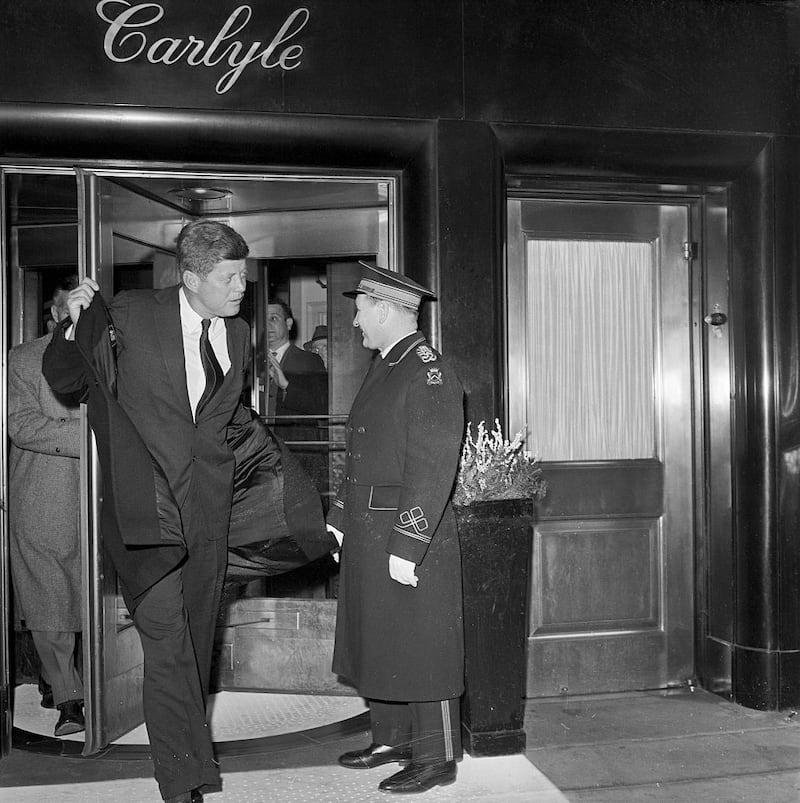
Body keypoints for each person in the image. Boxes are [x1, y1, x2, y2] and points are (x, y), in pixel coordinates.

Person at [43, 220, 251, 803]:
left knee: (196, 639)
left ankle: (194, 767)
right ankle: (180, 782)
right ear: (190, 278)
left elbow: (228, 425)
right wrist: (71, 324)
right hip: (146, 517)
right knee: (167, 644)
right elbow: (66, 381)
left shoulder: (238, 335)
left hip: (208, 515)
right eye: (229, 277)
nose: (242, 287)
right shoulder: (132, 313)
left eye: (243, 274)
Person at [327, 262, 466, 794]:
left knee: (422, 646)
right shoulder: (388, 363)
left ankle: (435, 757)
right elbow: (364, 453)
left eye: (361, 310)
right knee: (380, 638)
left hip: (411, 536)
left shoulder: (428, 370)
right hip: (368, 530)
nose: (356, 321)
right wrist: (340, 520)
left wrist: (409, 543)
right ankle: (392, 738)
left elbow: (432, 468)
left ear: (385, 310)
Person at [8, 276, 84, 738]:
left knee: (88, 596)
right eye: (67, 305)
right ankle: (70, 697)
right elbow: (22, 426)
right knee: (49, 595)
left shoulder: (113, 353)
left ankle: (61, 680)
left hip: (99, 495)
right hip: (44, 493)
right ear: (52, 312)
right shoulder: (22, 358)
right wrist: (93, 437)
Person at [266, 299, 327, 424]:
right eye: (263, 320)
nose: (267, 325)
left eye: (274, 318)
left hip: (294, 441)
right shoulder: (251, 361)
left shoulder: (309, 361)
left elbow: (322, 407)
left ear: (288, 324)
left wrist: (286, 386)